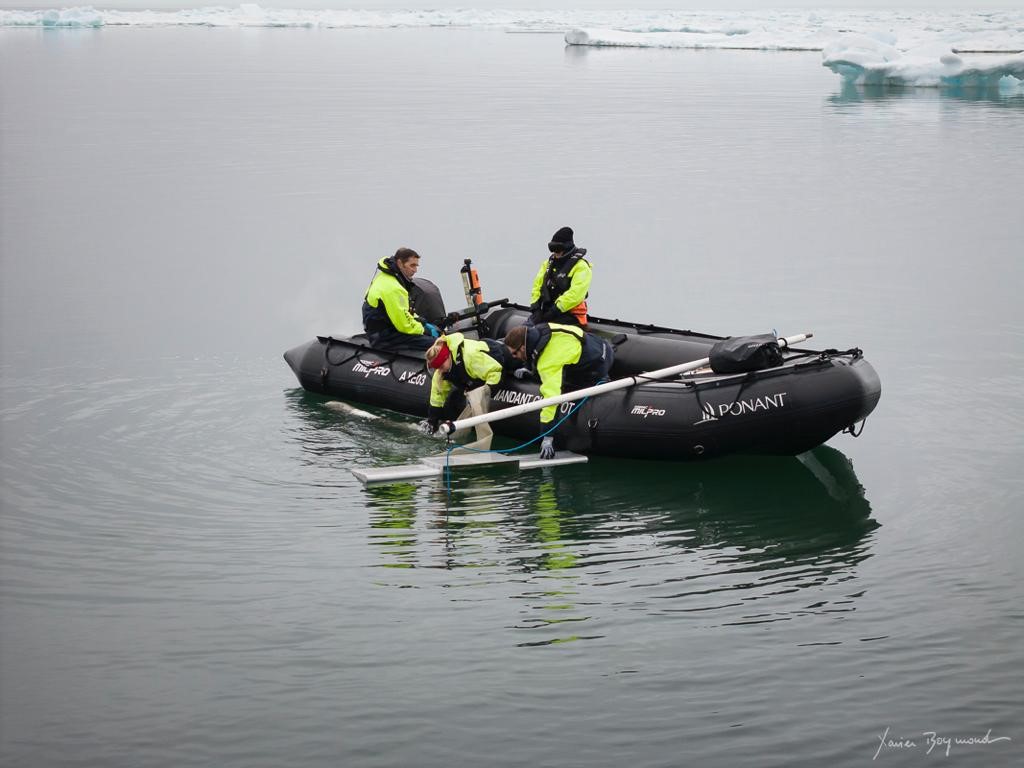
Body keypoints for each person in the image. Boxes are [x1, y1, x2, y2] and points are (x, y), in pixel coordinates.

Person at [504, 322, 613, 459]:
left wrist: (547, 436)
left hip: (598, 365)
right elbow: (537, 354)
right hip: (599, 344)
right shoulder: (540, 331)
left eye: (515, 353)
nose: (514, 357)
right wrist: (530, 368)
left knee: (565, 386)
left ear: (523, 347)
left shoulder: (548, 361)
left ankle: (601, 379)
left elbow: (551, 399)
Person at [420, 333, 508, 450]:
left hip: (495, 353)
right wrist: (432, 421)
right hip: (474, 374)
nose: (440, 370)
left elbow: (495, 372)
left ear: (447, 357)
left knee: (513, 361)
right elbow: (437, 397)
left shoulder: (470, 357)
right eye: (437, 368)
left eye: (441, 366)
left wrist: (485, 391)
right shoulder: (442, 372)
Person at [362, 247, 440, 350]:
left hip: (381, 332)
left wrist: (422, 321)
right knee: (438, 345)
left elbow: (402, 311)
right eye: (412, 265)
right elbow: (404, 325)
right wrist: (425, 330)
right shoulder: (394, 288)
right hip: (385, 337)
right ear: (399, 263)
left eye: (416, 266)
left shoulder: (385, 277)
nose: (415, 270)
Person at [529, 226, 592, 327]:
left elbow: (575, 294)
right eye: (553, 250)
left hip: (569, 316)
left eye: (557, 250)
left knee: (538, 333)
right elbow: (537, 286)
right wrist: (535, 308)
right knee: (524, 329)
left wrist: (554, 311)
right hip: (546, 312)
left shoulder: (581, 267)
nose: (555, 254)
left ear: (567, 248)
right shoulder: (547, 264)